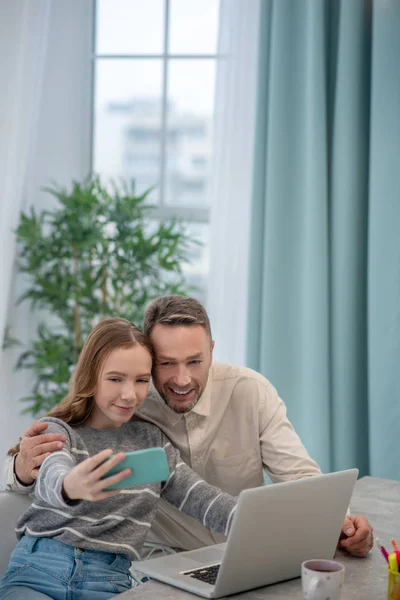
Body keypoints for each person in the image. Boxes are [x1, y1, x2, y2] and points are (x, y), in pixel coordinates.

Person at [4, 296, 373, 558]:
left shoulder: (249, 392)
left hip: (234, 553)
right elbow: (57, 455)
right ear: (150, 360)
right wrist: (23, 470)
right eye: (166, 364)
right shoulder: (126, 402)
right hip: (149, 559)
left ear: (212, 349)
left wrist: (338, 524)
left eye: (195, 361)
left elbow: (297, 476)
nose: (182, 379)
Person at [0, 318, 237, 600]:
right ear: (91, 376)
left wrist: (253, 520)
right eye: (115, 379)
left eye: (140, 381)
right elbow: (53, 470)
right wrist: (70, 486)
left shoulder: (151, 442)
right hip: (39, 572)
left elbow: (202, 498)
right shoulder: (59, 430)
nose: (129, 395)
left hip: (109, 583)